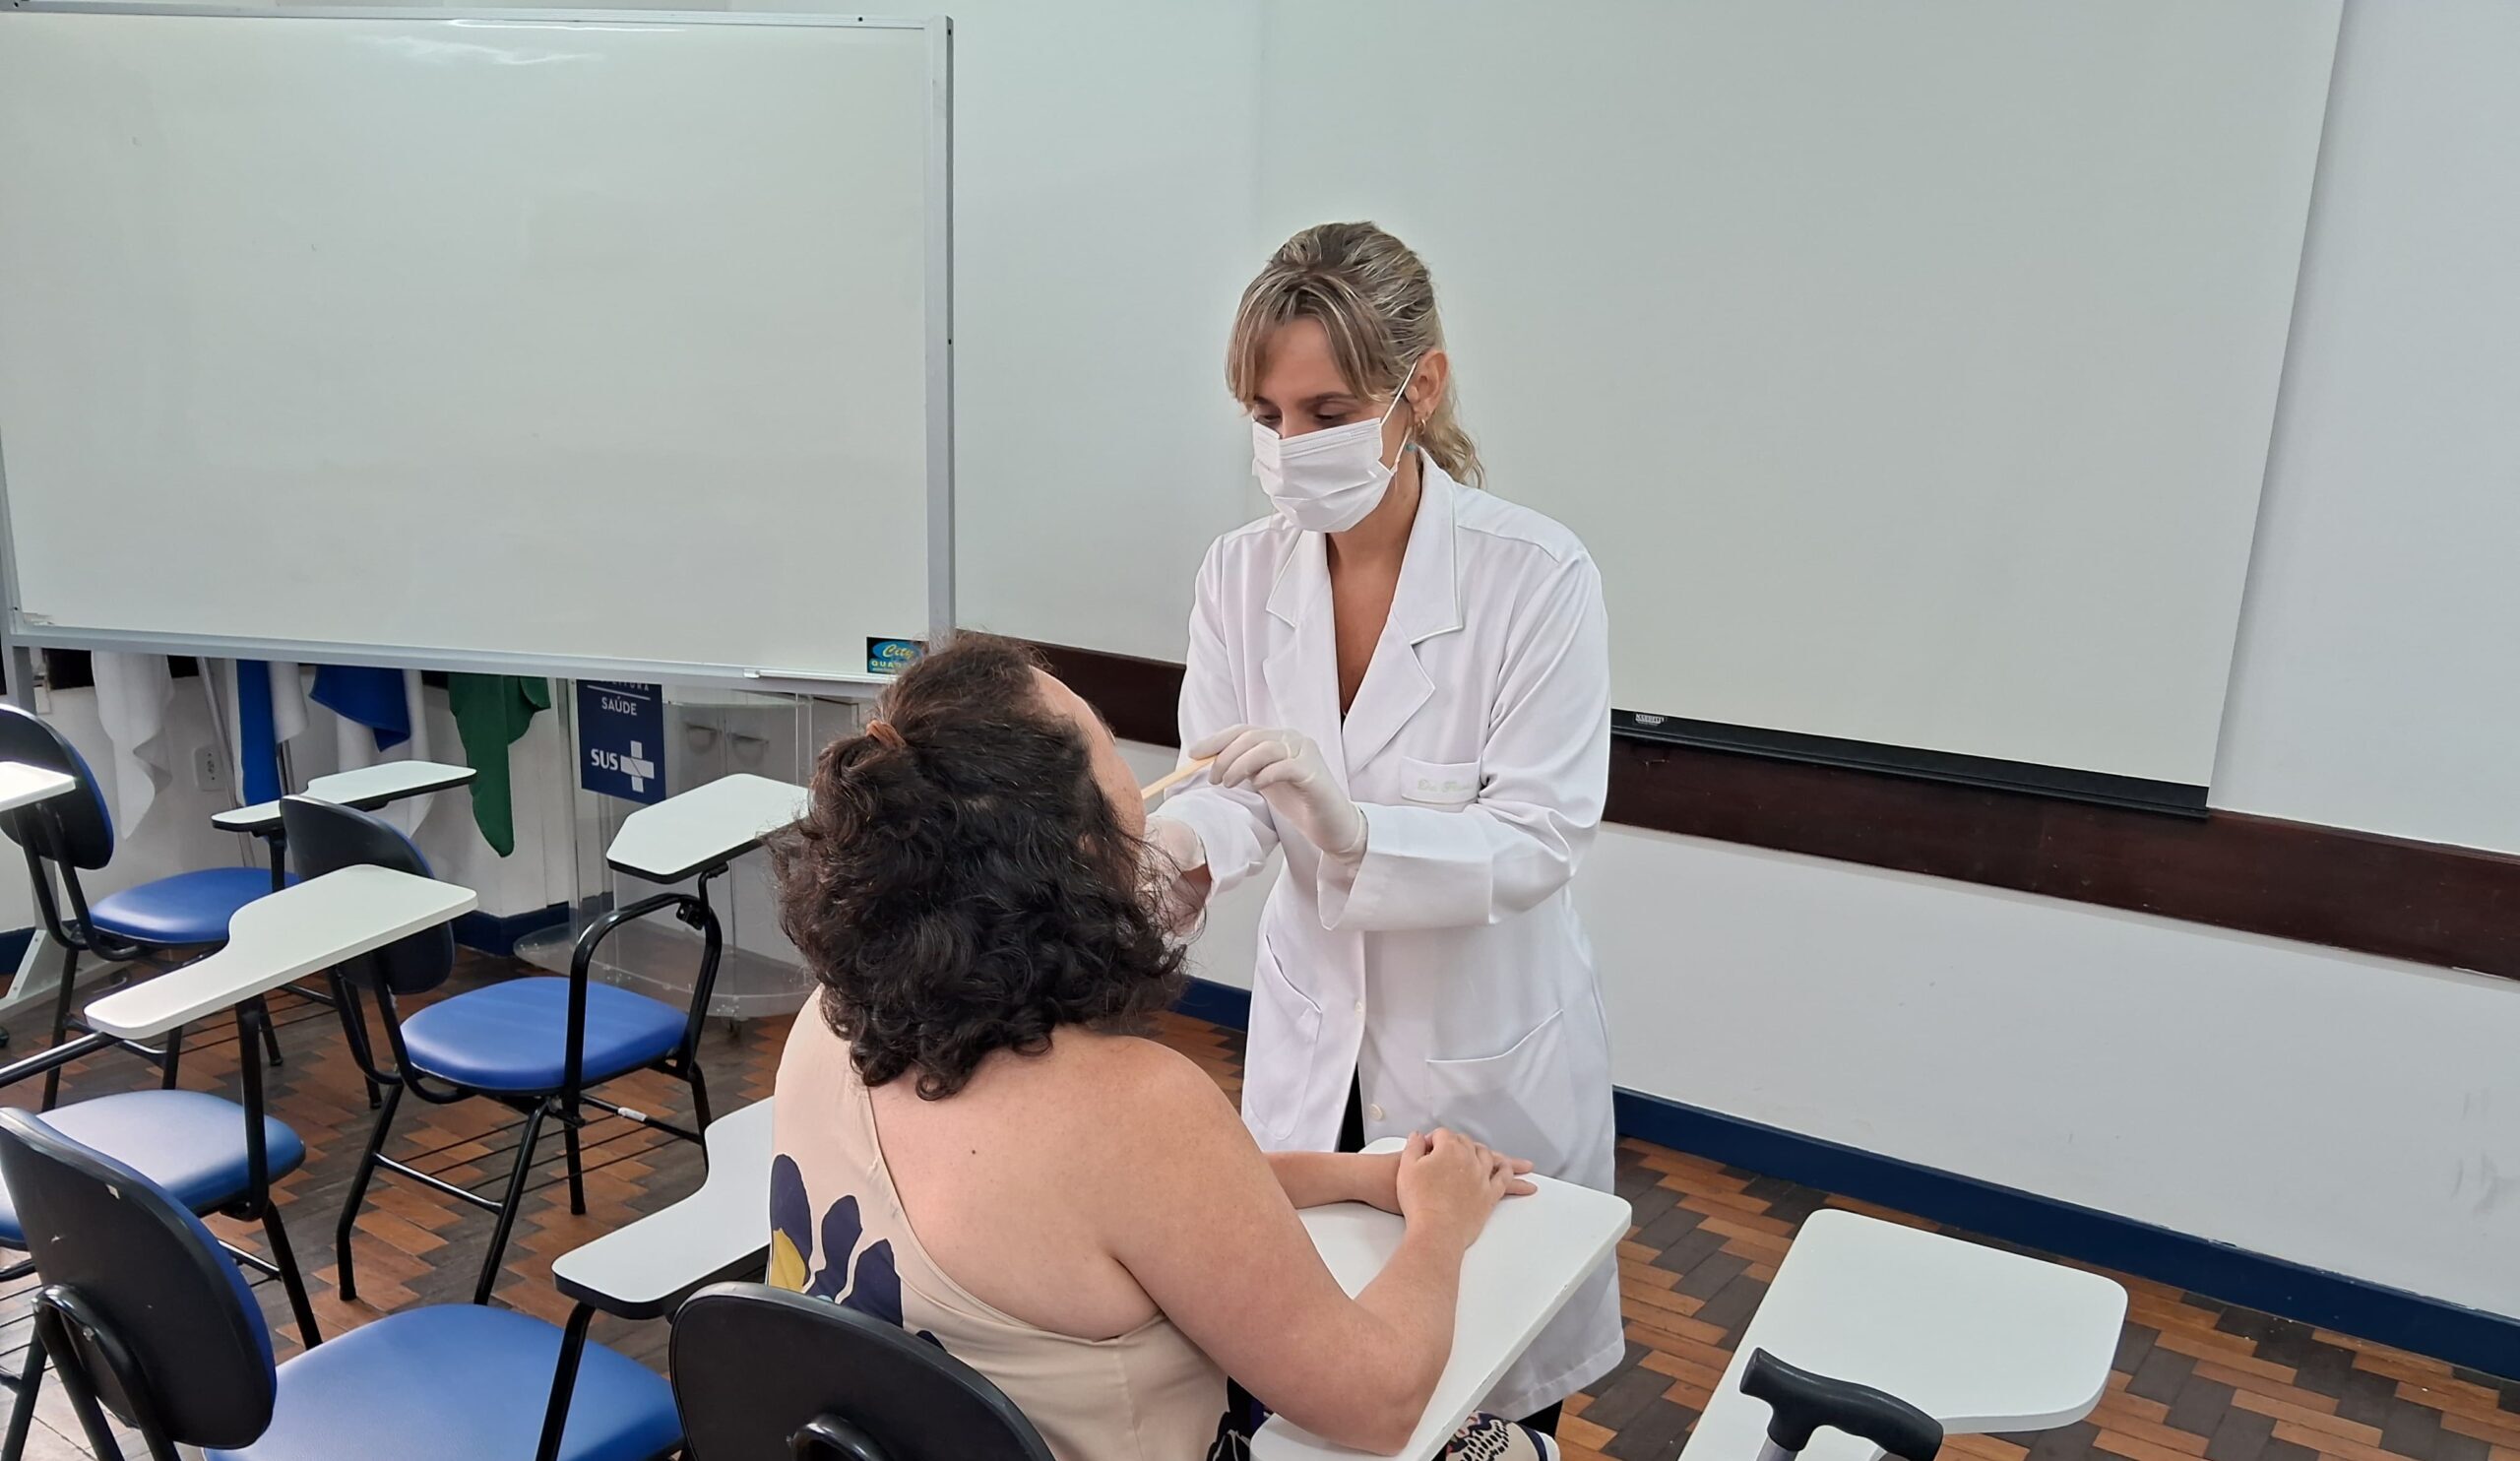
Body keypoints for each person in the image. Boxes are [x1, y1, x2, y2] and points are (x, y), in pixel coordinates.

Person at [769, 635, 1557, 1461]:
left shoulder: (829, 1020)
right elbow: (1378, 1400)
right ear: (1077, 848)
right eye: (1107, 746)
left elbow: (1150, 1211)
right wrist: (1442, 1223)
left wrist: (1361, 1174)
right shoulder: (1128, 1106)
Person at [1143, 221, 1621, 1429]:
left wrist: (1356, 833)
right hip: (1313, 1049)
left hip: (1476, 1056)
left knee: (1482, 1395)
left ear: (1423, 385)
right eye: (1265, 415)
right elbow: (1231, 780)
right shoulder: (1237, 574)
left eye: (1325, 409)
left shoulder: (1536, 577)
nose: (1290, 446)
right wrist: (1184, 846)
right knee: (1309, 1368)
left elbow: (1541, 834)